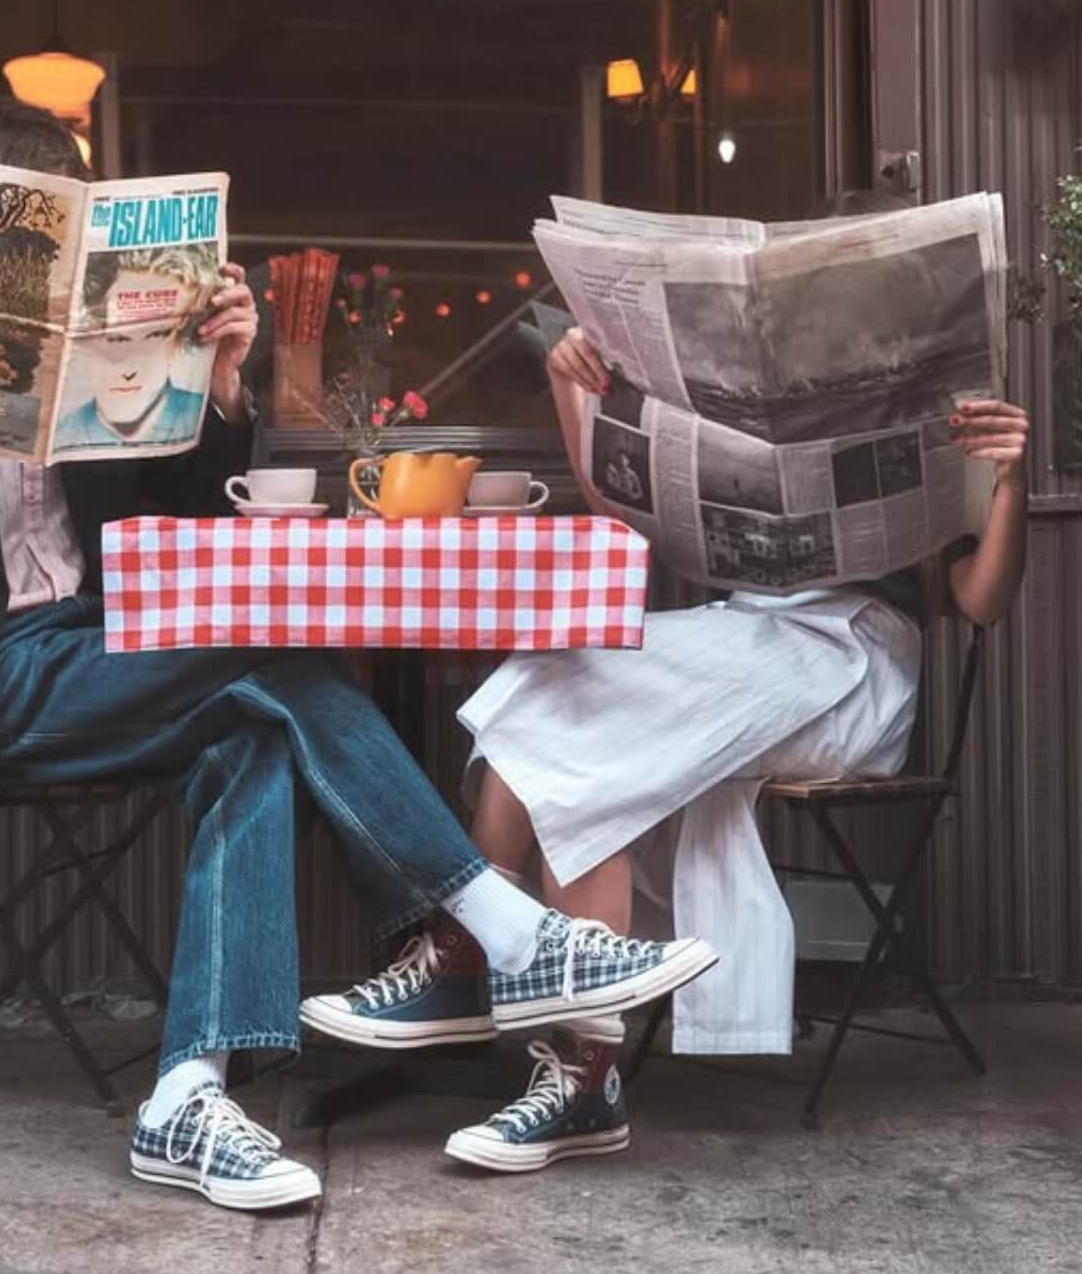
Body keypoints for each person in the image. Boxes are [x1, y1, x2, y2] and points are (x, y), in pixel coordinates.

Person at [0, 100, 714, 1213]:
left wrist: (217, 378)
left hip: (102, 655)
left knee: (259, 735)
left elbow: (191, 500)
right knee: (277, 660)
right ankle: (499, 935)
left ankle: (191, 1098)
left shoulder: (89, 358)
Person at [305, 192, 1030, 1176]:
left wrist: (1009, 482)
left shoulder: (945, 419)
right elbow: (626, 503)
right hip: (742, 637)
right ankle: (564, 1061)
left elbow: (977, 604)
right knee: (559, 673)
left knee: (592, 722)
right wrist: (573, 392)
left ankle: (479, 961)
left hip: (848, 667)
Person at [53, 246, 219, 452]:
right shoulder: (59, 432)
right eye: (116, 339)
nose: (130, 371)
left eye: (156, 336)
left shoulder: (211, 415)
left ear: (179, 342)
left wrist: (227, 387)